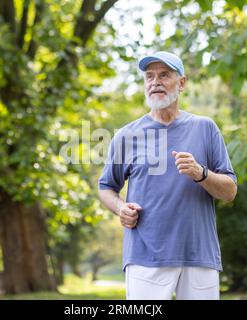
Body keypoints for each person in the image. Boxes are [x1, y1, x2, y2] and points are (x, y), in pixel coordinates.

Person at [98, 51, 238, 300]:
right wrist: (120, 208)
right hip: (145, 255)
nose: (155, 82)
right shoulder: (126, 136)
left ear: (181, 83)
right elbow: (106, 187)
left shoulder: (205, 128)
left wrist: (201, 174)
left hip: (199, 255)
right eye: (149, 76)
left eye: (164, 75)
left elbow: (229, 191)